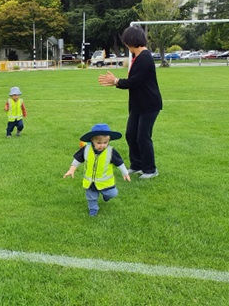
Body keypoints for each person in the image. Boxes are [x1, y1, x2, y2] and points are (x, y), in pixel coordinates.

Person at [98, 25, 162, 179]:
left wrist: (116, 81)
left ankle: (150, 169)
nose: (125, 44)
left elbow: (135, 81)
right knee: (131, 134)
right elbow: (133, 83)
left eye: (126, 41)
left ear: (131, 41)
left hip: (149, 105)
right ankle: (137, 164)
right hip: (137, 105)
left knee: (143, 137)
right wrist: (116, 82)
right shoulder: (137, 57)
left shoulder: (145, 58)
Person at [63, 124, 131, 216]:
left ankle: (106, 196)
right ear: (92, 141)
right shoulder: (86, 149)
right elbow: (78, 159)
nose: (102, 145)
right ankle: (93, 209)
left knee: (113, 194)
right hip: (90, 181)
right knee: (91, 197)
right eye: (99, 143)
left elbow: (119, 163)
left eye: (105, 143)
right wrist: (71, 169)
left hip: (105, 182)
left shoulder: (111, 152)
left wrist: (125, 172)